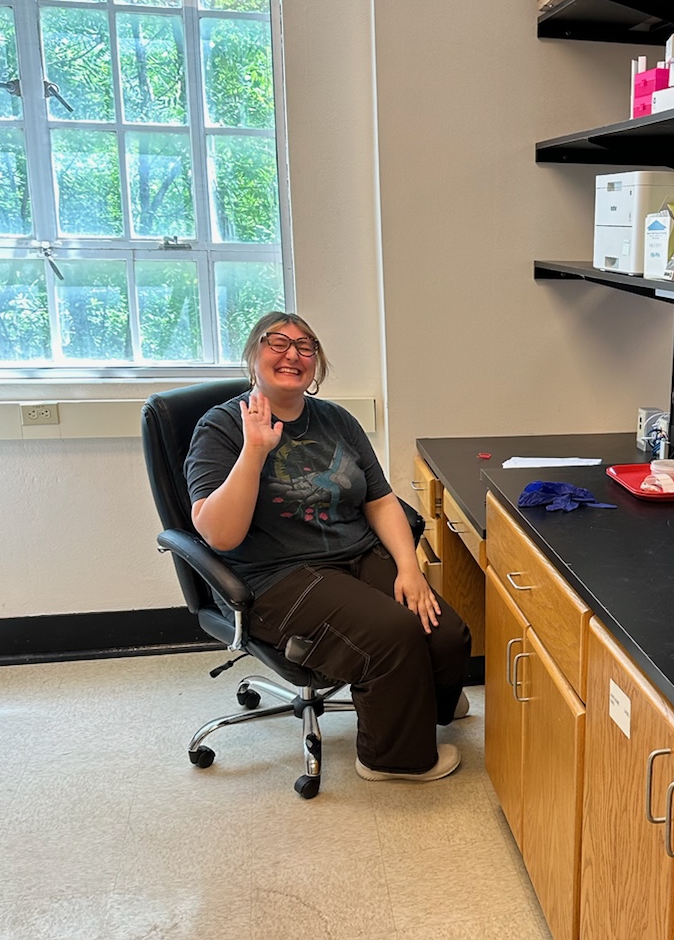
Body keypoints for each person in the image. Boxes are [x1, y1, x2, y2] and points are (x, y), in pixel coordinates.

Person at [185, 311, 470, 781]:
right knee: (392, 634)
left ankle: (426, 707)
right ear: (252, 355)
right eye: (277, 343)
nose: (292, 354)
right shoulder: (220, 428)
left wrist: (408, 567)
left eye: (305, 346)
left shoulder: (336, 420)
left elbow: (379, 500)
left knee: (444, 630)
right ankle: (392, 759)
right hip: (278, 576)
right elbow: (219, 534)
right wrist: (255, 450)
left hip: (355, 554)